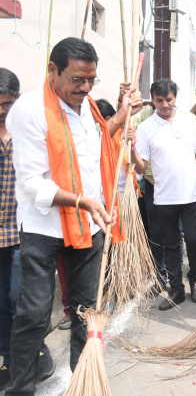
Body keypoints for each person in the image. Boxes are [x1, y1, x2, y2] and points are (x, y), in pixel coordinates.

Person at [5, 37, 140, 394]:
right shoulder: (30, 109)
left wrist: (123, 115)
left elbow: (96, 150)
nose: (84, 87)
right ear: (53, 70)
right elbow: (33, 182)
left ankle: (84, 385)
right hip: (43, 228)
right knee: (33, 315)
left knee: (86, 313)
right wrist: (82, 201)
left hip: (88, 226)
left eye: (91, 80)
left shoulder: (89, 107)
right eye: (77, 79)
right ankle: (20, 388)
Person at [129, 79, 196, 311]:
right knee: (171, 244)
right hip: (164, 198)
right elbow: (141, 168)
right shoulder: (145, 128)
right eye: (159, 100)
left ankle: (194, 278)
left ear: (176, 98)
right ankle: (176, 289)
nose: (164, 104)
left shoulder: (190, 121)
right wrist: (131, 147)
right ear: (152, 100)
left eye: (169, 99)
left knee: (193, 241)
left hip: (192, 194)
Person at [0, 69, 55, 391]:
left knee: (23, 298)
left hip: (24, 228)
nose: (1, 111)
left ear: (17, 100)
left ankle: (36, 350)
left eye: (6, 104)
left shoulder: (29, 129)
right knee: (1, 301)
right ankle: (10, 355)